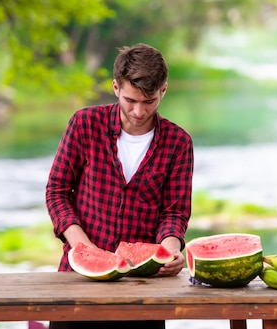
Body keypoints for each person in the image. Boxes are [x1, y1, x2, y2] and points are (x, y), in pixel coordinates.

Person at [45, 43, 194, 329]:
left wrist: (170, 250)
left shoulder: (179, 142)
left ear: (163, 90)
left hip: (142, 290)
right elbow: (57, 192)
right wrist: (84, 248)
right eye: (130, 100)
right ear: (115, 87)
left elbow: (174, 212)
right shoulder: (84, 124)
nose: (138, 111)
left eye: (149, 101)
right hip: (76, 284)